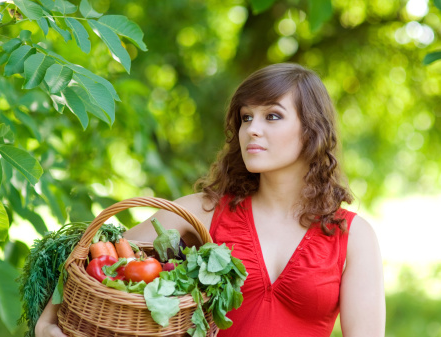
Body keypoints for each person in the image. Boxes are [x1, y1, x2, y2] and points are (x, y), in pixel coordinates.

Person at [35, 63, 386, 337]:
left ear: (312, 131)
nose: (252, 129)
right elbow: (98, 257)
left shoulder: (352, 237)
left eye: (272, 116)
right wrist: (48, 320)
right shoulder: (202, 211)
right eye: (246, 117)